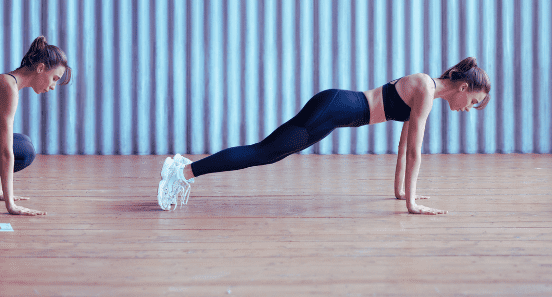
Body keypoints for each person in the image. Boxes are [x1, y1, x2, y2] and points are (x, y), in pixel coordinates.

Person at [157, 57, 491, 215]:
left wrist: (402, 192)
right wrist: (412, 204)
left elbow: (405, 143)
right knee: (264, 153)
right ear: (463, 88)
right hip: (332, 109)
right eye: (472, 103)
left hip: (332, 109)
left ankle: (184, 169)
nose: (467, 109)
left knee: (266, 151)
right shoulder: (425, 87)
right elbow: (416, 151)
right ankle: (182, 172)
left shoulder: (427, 91)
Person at [0, 36, 73, 217]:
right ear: (40, 68)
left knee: (22, 143)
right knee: (23, 149)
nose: (54, 86)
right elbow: (4, 151)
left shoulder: (10, 83)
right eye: (54, 78)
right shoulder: (7, 86)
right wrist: (10, 205)